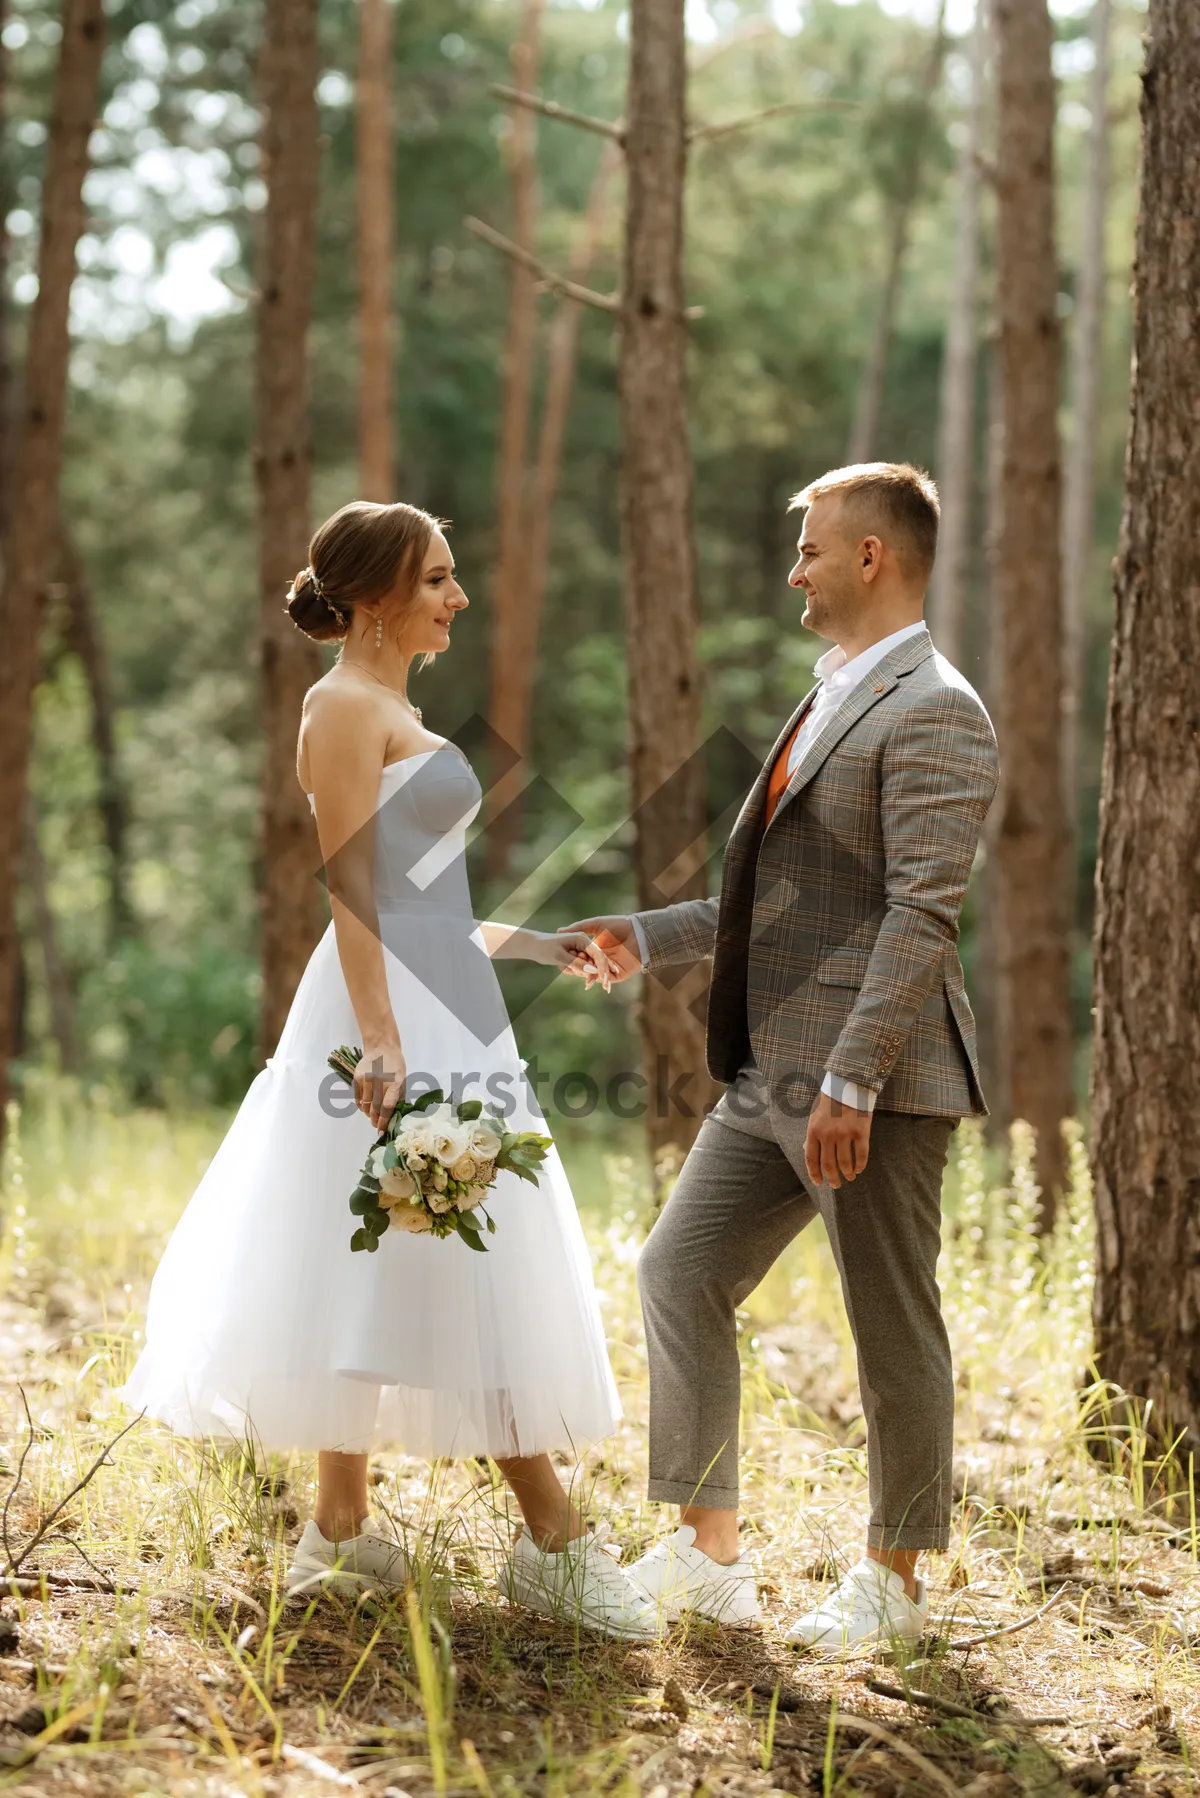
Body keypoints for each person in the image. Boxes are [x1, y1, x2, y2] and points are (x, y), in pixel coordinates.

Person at [120, 500, 655, 1640]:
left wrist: (537, 945)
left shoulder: (394, 703)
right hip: (387, 1017)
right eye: (437, 580)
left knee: (415, 1243)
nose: (457, 598)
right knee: (446, 1236)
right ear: (373, 598)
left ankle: (340, 1522)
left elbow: (428, 910)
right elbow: (353, 891)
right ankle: (553, 1538)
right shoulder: (339, 707)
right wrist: (380, 1036)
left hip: (442, 1000)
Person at [564, 463, 1000, 1652]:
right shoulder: (829, 697)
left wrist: (854, 1077)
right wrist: (638, 938)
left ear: (872, 558)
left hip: (875, 1082)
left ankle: (895, 1586)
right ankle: (707, 1557)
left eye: (810, 547)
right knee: (677, 1269)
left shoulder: (937, 707)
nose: (794, 568)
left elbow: (921, 914)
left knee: (890, 1326)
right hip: (772, 1076)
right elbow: (766, 903)